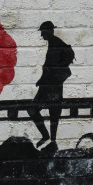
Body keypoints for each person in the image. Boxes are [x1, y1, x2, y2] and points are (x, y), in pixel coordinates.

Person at [28, 21, 74, 149]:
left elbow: (53, 68)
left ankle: (50, 138)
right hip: (49, 86)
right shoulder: (54, 43)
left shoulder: (56, 44)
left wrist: (50, 79)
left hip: (51, 87)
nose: (42, 36)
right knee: (51, 113)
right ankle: (49, 138)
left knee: (39, 110)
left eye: (43, 32)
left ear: (48, 31)